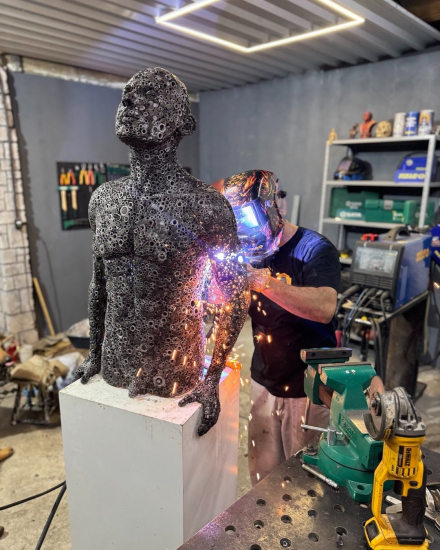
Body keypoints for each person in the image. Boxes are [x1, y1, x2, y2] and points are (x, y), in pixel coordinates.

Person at [73, 68, 249, 436]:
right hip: (113, 365)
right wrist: (94, 354)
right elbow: (99, 286)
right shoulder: (104, 200)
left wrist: (212, 377)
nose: (129, 101)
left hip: (175, 371)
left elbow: (236, 296)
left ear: (182, 123)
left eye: (149, 95)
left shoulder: (206, 206)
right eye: (127, 94)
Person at [222, 170, 341, 485]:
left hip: (308, 388)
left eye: (248, 218)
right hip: (263, 381)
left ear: (276, 205)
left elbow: (325, 308)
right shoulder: (245, 248)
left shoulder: (315, 249)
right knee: (263, 479)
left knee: (306, 481)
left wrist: (263, 282)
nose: (245, 230)